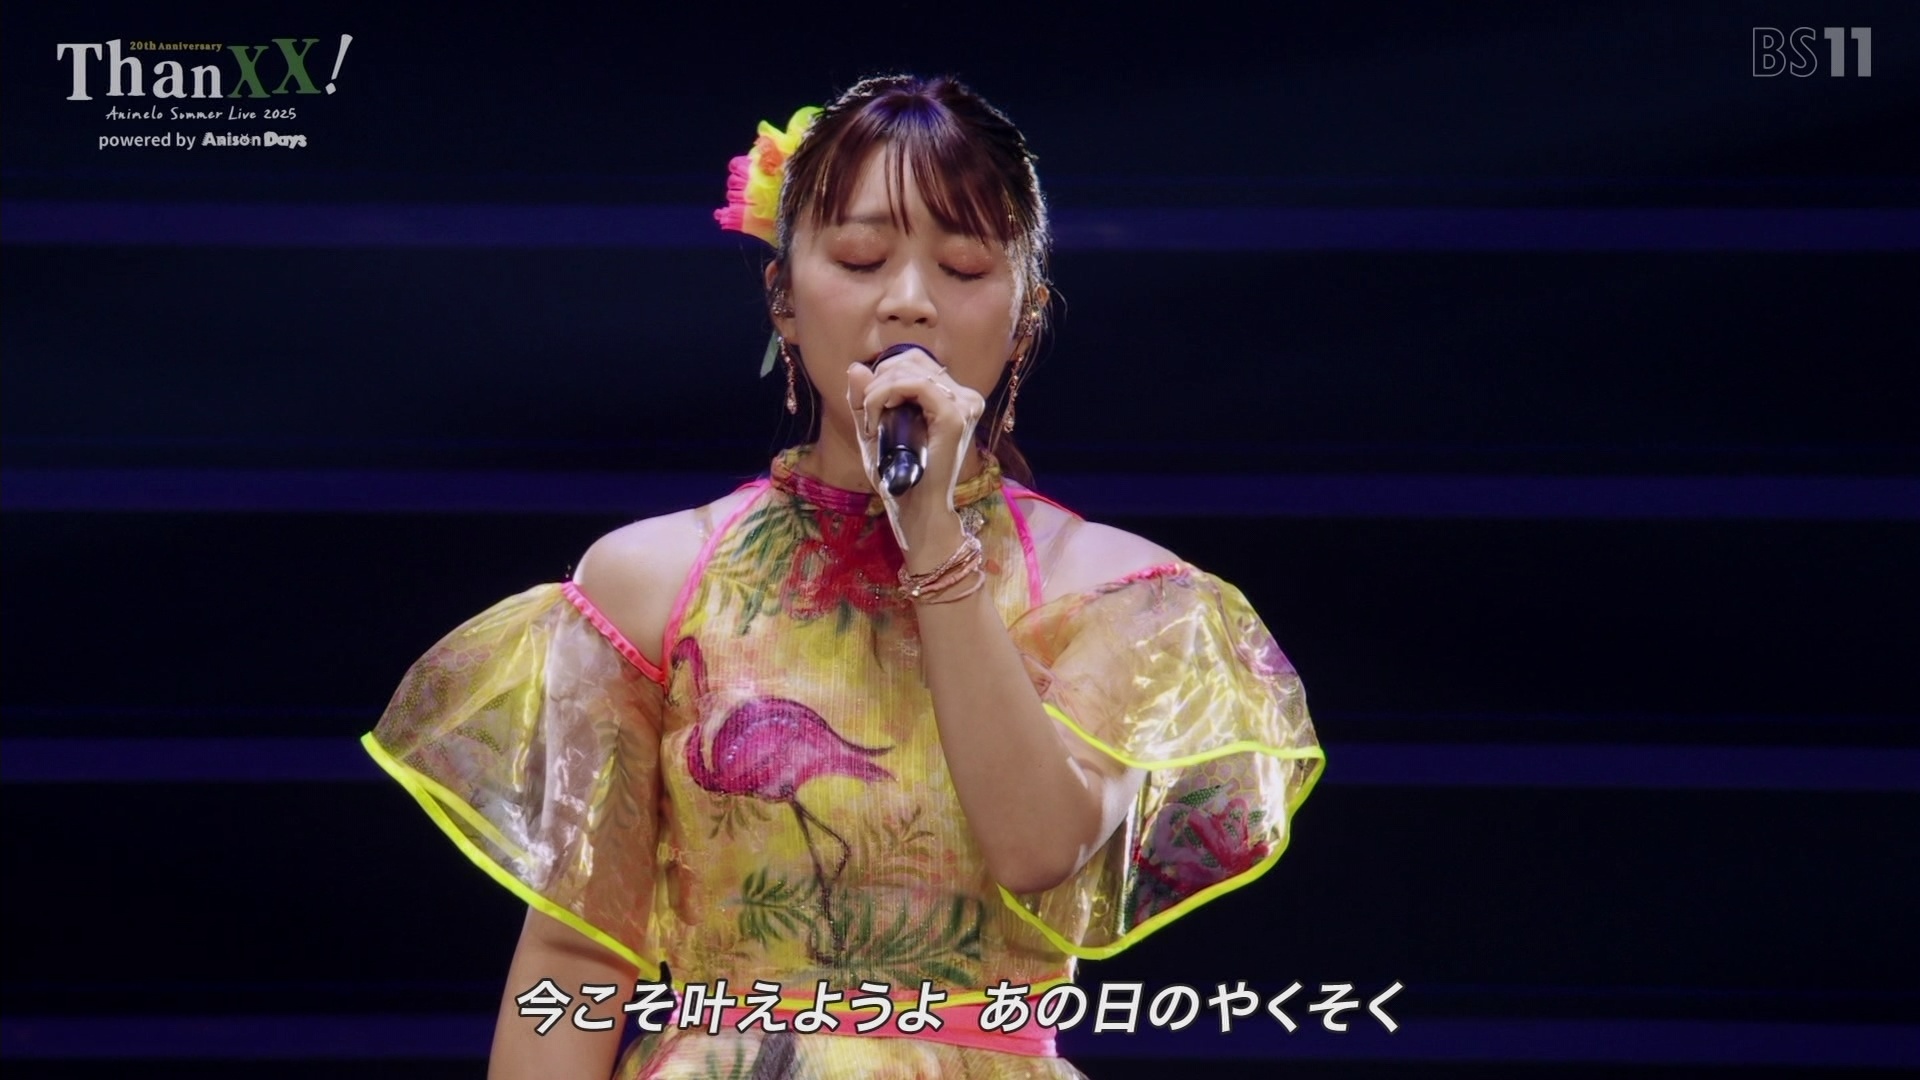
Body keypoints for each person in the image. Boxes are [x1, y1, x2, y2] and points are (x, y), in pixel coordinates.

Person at [363, 74, 1324, 1079]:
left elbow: (1039, 848)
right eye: (862, 258)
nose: (908, 298)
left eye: (962, 266)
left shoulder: (1119, 592)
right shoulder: (651, 579)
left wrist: (934, 540)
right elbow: (575, 955)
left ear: (1025, 318)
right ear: (783, 298)